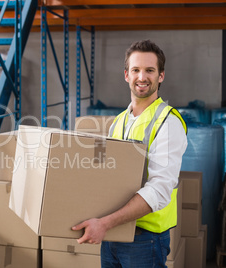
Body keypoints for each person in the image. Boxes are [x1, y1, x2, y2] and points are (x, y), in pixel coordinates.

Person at [72, 40, 188, 267]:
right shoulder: (120, 121)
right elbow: (108, 174)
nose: (142, 77)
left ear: (161, 76)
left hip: (145, 239)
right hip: (113, 233)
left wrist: (105, 223)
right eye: (136, 70)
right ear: (126, 75)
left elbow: (160, 189)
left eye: (150, 70)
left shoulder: (168, 122)